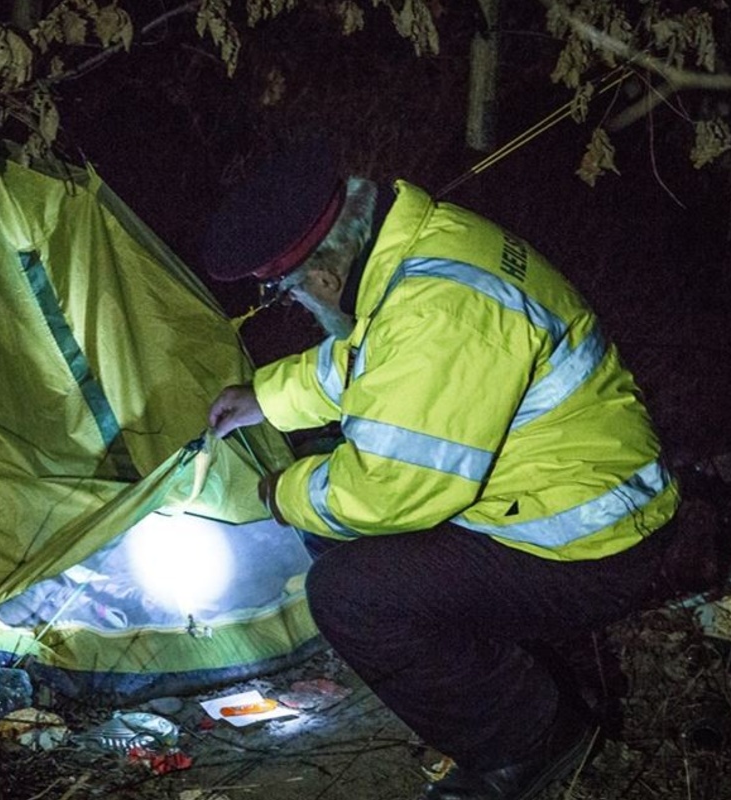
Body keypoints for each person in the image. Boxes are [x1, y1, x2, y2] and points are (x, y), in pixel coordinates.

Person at [202, 139, 681, 800]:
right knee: (343, 522)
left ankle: (529, 742)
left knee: (349, 593)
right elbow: (371, 364)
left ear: (317, 275)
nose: (298, 305)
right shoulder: (423, 249)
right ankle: (539, 682)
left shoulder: (437, 309)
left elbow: (387, 492)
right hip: (581, 496)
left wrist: (283, 493)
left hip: (588, 543)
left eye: (288, 292)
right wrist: (267, 398)